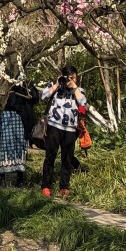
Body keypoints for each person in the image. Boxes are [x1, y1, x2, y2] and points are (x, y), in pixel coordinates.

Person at [39, 64, 87, 198]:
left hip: (70, 130)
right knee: (50, 157)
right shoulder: (56, 87)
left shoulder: (79, 90)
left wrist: (74, 87)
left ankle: (64, 187)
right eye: (69, 78)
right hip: (54, 127)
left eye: (74, 78)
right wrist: (56, 83)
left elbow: (83, 102)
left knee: (67, 158)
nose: (70, 80)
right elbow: (43, 96)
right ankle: (46, 185)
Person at [0, 81, 36, 188]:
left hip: (22, 117)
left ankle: (20, 177)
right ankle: (2, 176)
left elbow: (34, 97)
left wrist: (25, 85)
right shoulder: (5, 80)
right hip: (6, 114)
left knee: (21, 145)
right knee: (5, 145)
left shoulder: (25, 82)